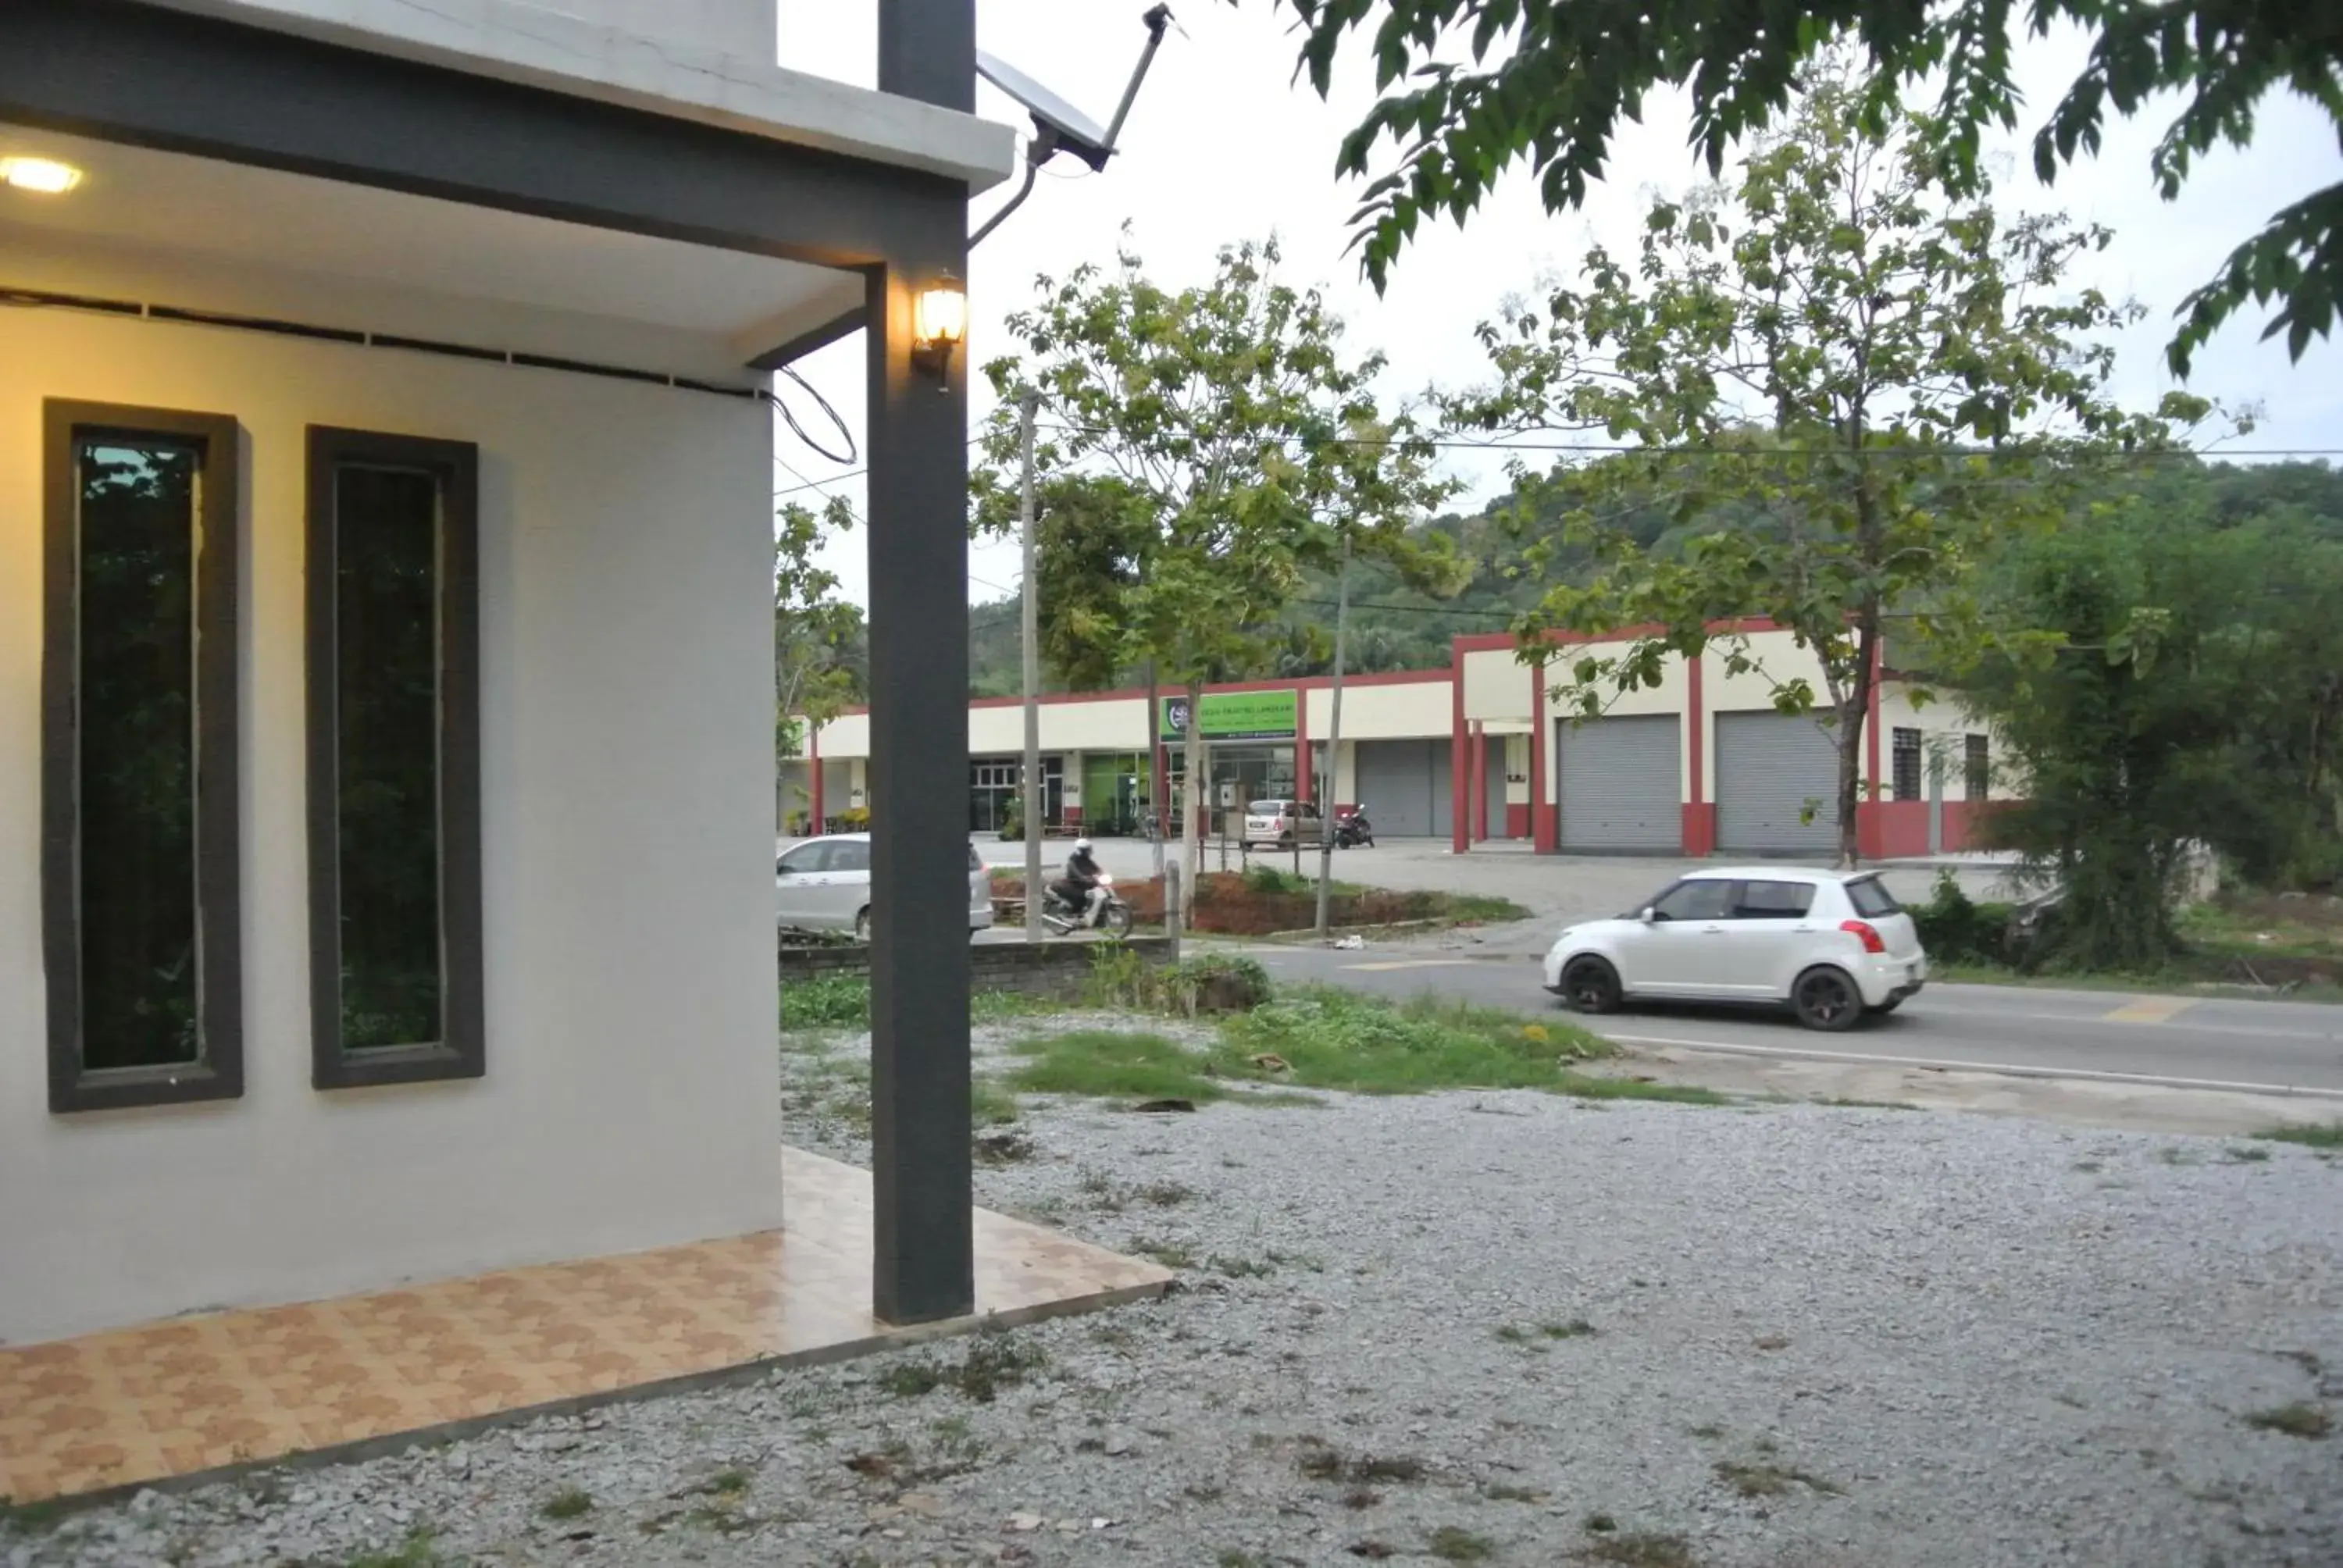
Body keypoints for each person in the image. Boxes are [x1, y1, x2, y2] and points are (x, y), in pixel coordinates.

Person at [1055, 837, 1107, 927]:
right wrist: (1083, 877)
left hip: (1086, 884)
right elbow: (1074, 870)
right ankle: (1075, 916)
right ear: (1081, 850)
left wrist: (1102, 873)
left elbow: (1096, 868)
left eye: (1089, 849)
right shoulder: (1073, 860)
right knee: (1080, 897)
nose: (1089, 851)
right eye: (1087, 850)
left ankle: (1094, 917)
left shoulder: (1086, 859)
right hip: (1075, 884)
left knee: (1098, 893)